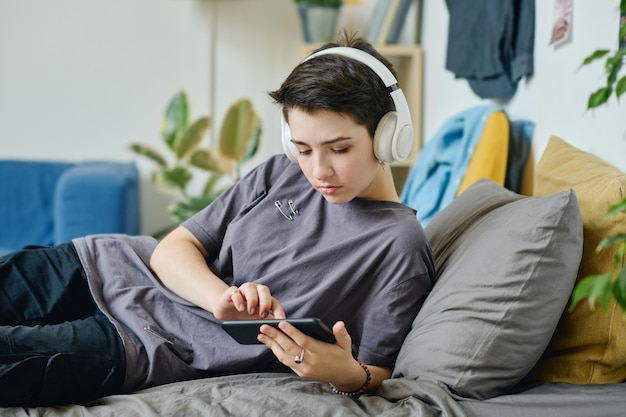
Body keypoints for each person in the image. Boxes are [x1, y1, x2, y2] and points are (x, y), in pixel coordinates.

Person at [0, 32, 435, 407]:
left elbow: (376, 370)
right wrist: (220, 300)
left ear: (388, 135)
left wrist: (343, 372)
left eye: (339, 149)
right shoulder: (279, 172)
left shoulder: (399, 243)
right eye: (303, 148)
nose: (318, 170)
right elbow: (172, 250)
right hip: (103, 266)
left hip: (144, 345)